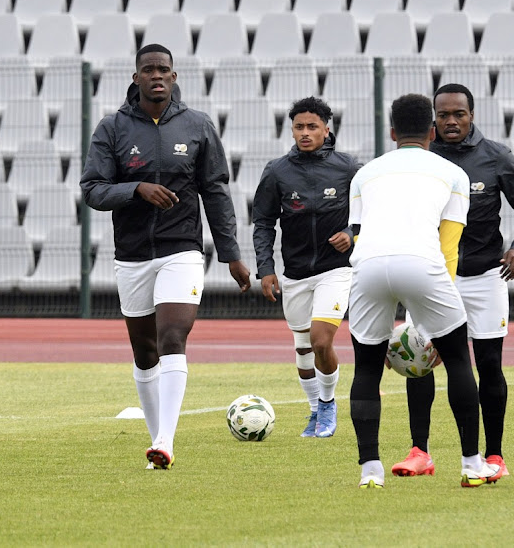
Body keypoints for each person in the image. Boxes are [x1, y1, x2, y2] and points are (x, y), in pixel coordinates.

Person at [81, 44, 251, 470]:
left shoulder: (197, 126)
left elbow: (215, 191)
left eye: (164, 70)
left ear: (174, 77)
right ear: (136, 77)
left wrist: (230, 254)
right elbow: (93, 190)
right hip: (133, 255)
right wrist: (136, 189)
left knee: (172, 336)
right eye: (148, 70)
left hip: (182, 249)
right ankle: (157, 441)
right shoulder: (112, 128)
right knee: (144, 352)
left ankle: (165, 441)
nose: (157, 75)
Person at [347, 93, 503, 489]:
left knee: (366, 368)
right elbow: (448, 246)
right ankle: (472, 464)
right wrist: (441, 310)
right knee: (457, 361)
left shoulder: (365, 173)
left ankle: (370, 471)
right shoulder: (453, 173)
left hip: (366, 266)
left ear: (393, 132)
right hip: (422, 263)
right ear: (432, 132)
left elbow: (360, 232)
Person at [391, 83, 514, 479]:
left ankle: (495, 456)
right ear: (432, 120)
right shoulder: (420, 160)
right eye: (443, 115)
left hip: (485, 275)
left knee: (489, 364)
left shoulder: (495, 157)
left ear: (472, 115)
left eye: (459, 114)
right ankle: (419, 452)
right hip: (432, 276)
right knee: (420, 361)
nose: (451, 121)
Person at [252, 96, 361, 438]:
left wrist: (351, 233)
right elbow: (263, 223)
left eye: (312, 126)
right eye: (299, 126)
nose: (305, 132)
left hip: (336, 270)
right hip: (295, 274)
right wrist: (265, 268)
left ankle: (328, 404)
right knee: (302, 349)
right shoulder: (277, 171)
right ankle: (314, 410)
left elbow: (369, 214)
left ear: (327, 129)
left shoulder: (348, 169)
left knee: (320, 341)